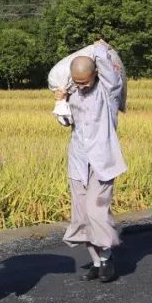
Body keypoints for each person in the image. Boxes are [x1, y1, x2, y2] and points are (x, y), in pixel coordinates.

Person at [55, 40, 126, 283]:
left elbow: (110, 73)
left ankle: (107, 259)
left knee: (97, 212)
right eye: (77, 82)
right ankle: (96, 263)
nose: (82, 86)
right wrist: (60, 101)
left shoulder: (108, 93)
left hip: (103, 163)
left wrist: (99, 49)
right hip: (78, 162)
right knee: (82, 216)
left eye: (85, 81)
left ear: (95, 74)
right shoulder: (73, 94)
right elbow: (65, 122)